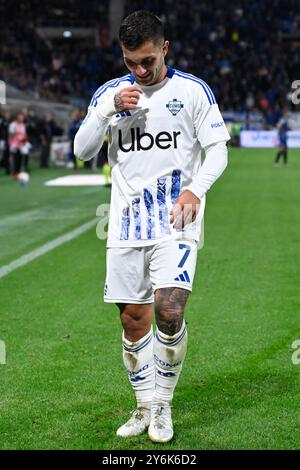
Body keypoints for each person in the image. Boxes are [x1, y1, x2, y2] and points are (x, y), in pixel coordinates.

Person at [74, 10, 230, 443]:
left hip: (176, 222)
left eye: (147, 61)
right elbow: (82, 150)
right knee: (133, 321)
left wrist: (195, 190)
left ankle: (163, 405)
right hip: (124, 225)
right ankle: (143, 405)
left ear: (164, 48)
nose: (140, 71)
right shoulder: (110, 93)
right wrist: (106, 110)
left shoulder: (192, 91)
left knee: (169, 310)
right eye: (131, 62)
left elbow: (217, 150)